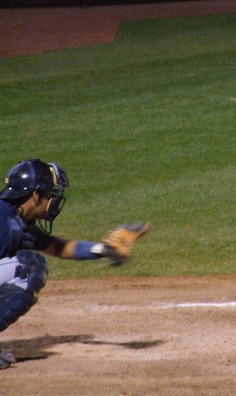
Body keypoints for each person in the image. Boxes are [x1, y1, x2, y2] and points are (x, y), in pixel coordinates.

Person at [0, 158, 148, 370]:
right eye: (50, 195)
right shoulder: (3, 220)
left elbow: (59, 247)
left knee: (27, 265)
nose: (54, 201)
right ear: (36, 195)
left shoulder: (17, 222)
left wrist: (105, 249)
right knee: (29, 267)